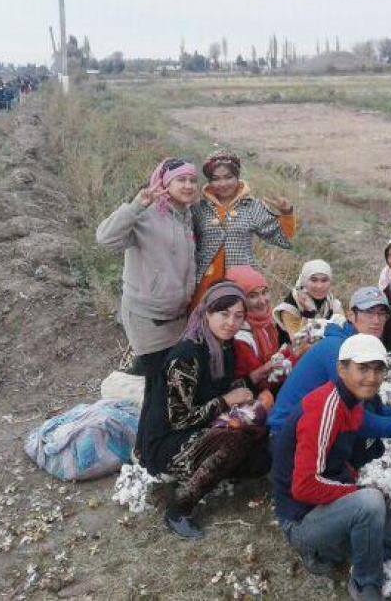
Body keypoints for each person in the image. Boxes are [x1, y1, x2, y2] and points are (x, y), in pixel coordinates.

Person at [272, 334, 391, 600]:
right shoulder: (325, 408)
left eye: (378, 369)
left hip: (330, 503)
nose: (371, 377)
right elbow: (304, 486)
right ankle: (365, 582)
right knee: (369, 503)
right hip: (300, 518)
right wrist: (357, 493)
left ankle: (341, 544)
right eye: (362, 368)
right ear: (341, 369)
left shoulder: (354, 402)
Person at [140, 282, 271, 539]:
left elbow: (213, 390)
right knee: (234, 439)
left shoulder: (224, 346)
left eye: (238, 316)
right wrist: (225, 402)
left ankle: (211, 469)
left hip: (198, 428)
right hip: (165, 442)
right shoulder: (187, 355)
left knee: (260, 460)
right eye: (224, 314)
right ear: (207, 313)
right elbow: (179, 419)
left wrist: (254, 379)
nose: (231, 322)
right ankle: (178, 508)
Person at [96, 158, 200, 456]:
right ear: (164, 183)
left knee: (170, 384)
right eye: (181, 180)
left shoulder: (186, 214)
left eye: (193, 180)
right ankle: (147, 452)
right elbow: (105, 239)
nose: (189, 186)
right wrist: (136, 204)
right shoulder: (146, 214)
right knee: (158, 387)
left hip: (177, 316)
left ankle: (158, 443)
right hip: (146, 316)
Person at [268, 286, 391, 441]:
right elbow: (354, 417)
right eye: (369, 313)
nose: (377, 320)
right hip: (287, 435)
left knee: (370, 447)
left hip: (309, 424)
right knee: (358, 444)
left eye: (381, 314)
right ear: (351, 315)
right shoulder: (339, 350)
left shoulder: (357, 346)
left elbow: (371, 406)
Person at [192, 150, 296, 309]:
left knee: (239, 324)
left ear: (237, 176)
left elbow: (282, 236)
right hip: (205, 284)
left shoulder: (251, 206)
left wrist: (286, 213)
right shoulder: (199, 208)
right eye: (216, 179)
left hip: (241, 282)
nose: (223, 183)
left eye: (228, 177)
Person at [226, 265, 287, 391]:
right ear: (238, 300)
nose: (262, 301)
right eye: (253, 296)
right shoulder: (240, 338)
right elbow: (262, 382)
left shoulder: (268, 323)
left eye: (264, 292)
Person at [274, 259, 344, 353]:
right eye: (313, 280)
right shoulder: (290, 308)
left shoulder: (332, 304)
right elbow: (299, 347)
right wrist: (309, 313)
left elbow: (343, 335)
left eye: (324, 280)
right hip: (291, 361)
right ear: (304, 280)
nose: (319, 286)